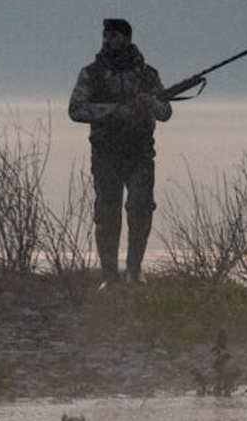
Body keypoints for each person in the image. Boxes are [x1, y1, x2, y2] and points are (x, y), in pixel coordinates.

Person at [68, 18, 171, 282]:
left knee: (140, 208)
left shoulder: (148, 75)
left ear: (126, 39)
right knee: (107, 213)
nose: (107, 41)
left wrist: (150, 104)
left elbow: (165, 112)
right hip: (106, 153)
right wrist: (116, 111)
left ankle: (134, 273)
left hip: (140, 153)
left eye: (113, 36)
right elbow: (76, 110)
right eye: (106, 35)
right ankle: (109, 276)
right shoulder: (91, 74)